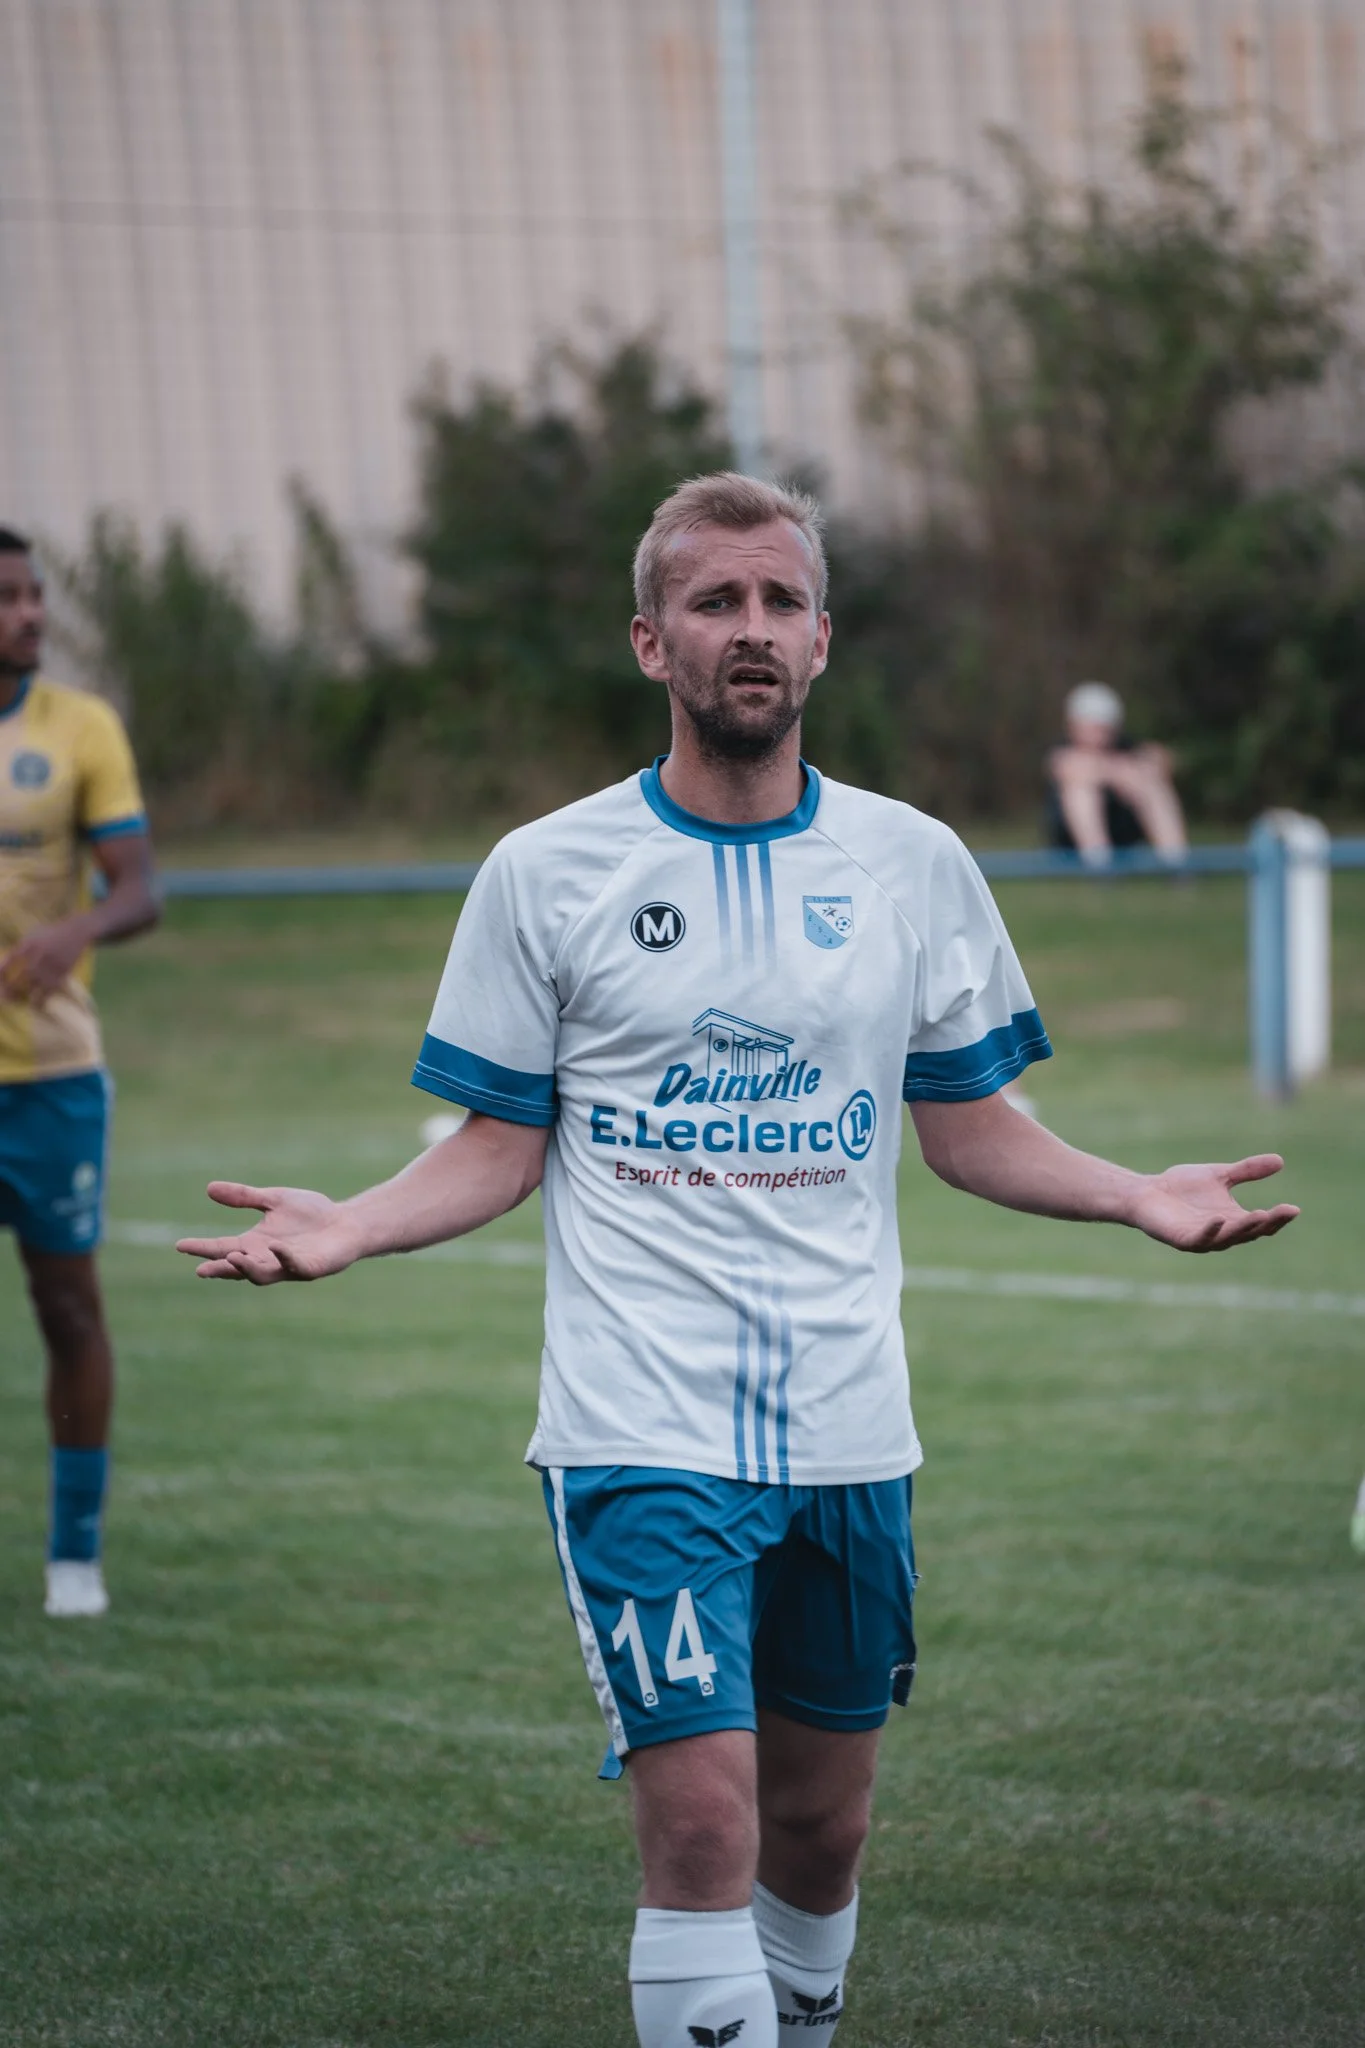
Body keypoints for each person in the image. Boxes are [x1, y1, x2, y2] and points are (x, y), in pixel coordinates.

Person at [177, 475, 1297, 2047]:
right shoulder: (544, 873)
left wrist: (1131, 1194)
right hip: (639, 1430)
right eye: (715, 604)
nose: (750, 630)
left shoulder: (912, 863)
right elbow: (499, 1146)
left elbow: (968, 1127)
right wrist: (353, 1221)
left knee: (822, 1833)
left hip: (853, 1431)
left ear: (825, 640)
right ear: (652, 641)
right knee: (704, 1830)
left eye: (779, 602)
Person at [0, 527, 160, 1617]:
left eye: (34, 595)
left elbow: (138, 889)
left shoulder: (80, 726)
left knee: (68, 1310)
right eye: (7, 598)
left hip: (51, 1077)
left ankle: (74, 1554)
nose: (30, 614)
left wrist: (75, 931)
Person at [1046, 681, 1189, 864]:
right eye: (1091, 728)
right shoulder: (1062, 749)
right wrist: (1119, 773)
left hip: (1124, 831)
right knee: (1081, 791)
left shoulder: (1126, 746)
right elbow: (1068, 767)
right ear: (1074, 726)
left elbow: (1163, 760)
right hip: (1068, 843)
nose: (1098, 735)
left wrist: (1141, 772)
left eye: (1103, 728)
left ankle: (1177, 864)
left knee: (1153, 787)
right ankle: (1100, 866)